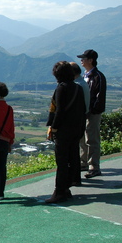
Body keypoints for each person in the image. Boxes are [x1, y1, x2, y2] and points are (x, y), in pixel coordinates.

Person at [46, 61, 86, 204]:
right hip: (76, 129)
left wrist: (53, 127)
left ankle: (59, 191)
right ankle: (67, 188)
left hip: (63, 131)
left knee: (62, 161)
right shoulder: (78, 88)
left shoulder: (61, 89)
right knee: (72, 158)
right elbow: (82, 110)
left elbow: (59, 111)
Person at [77, 49, 107, 179]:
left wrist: (93, 110)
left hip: (93, 113)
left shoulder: (98, 76)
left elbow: (100, 96)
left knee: (92, 139)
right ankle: (84, 162)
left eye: (84, 58)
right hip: (84, 112)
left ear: (91, 60)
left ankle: (94, 166)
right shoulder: (86, 75)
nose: (81, 60)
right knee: (83, 138)